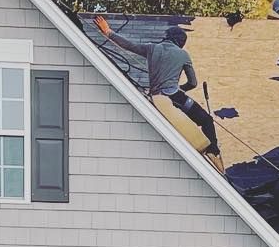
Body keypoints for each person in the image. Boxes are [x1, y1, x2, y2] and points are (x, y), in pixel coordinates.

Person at [94, 17, 224, 170]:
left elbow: (129, 45)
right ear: (181, 42)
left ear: (167, 37)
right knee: (206, 120)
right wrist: (182, 89)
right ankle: (213, 152)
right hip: (174, 97)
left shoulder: (152, 48)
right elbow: (193, 83)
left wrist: (108, 32)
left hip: (155, 97)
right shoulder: (183, 55)